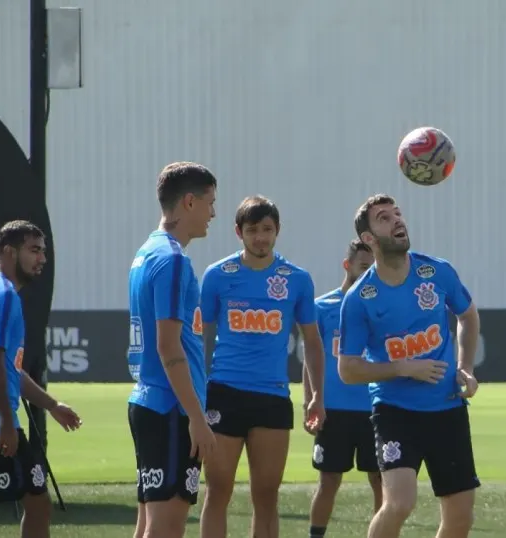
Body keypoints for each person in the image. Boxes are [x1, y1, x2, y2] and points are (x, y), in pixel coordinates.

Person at [337, 194, 481, 538]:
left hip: (447, 408)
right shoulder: (359, 298)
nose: (397, 220)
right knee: (400, 503)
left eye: (397, 214)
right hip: (395, 412)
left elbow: (468, 316)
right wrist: (403, 367)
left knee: (460, 516)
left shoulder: (437, 271)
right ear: (368, 238)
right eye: (384, 218)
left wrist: (466, 367)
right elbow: (348, 369)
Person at [199, 195, 326, 538]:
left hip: (271, 396)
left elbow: (312, 343)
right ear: (238, 232)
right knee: (217, 489)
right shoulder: (217, 275)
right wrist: (197, 394)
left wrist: (316, 397)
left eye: (267, 229)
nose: (260, 238)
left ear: (277, 231)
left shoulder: (297, 279)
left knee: (266, 495)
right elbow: (198, 337)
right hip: (224, 393)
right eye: (252, 230)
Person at [0, 220, 82, 536]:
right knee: (38, 503)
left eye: (43, 251)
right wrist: (6, 422)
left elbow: (9, 368)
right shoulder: (4, 296)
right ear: (8, 252)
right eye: (34, 250)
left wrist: (51, 405)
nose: (42, 259)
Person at [127, 162, 218, 538]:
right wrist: (197, 418)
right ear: (190, 202)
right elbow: (169, 347)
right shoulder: (174, 260)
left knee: (148, 524)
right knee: (165, 529)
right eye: (211, 202)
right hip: (169, 408)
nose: (214, 212)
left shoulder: (146, 251)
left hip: (150, 403)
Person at [303, 239, 381, 538]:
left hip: (374, 409)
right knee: (329, 480)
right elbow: (310, 361)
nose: (368, 274)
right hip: (333, 410)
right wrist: (309, 402)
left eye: (372, 268)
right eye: (363, 267)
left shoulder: (380, 308)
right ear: (347, 265)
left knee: (380, 480)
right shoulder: (322, 308)